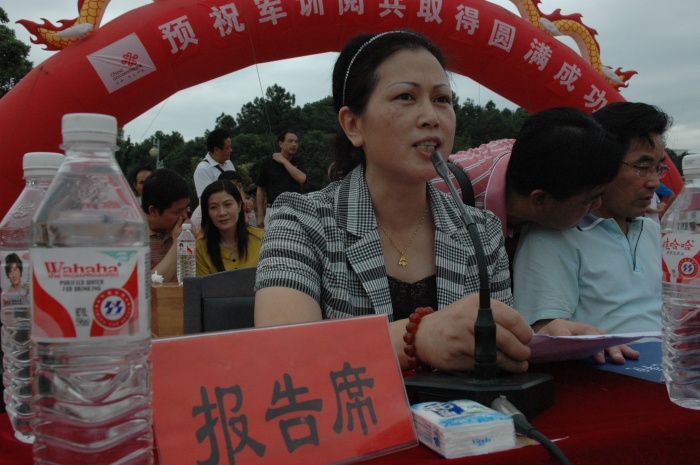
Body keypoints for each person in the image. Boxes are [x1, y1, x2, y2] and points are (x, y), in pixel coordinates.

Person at [254, 30, 532, 374]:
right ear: (353, 125)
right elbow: (284, 356)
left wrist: (542, 338)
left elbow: (501, 358)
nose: (431, 117)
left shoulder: (481, 231)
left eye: (442, 99)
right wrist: (415, 339)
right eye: (405, 96)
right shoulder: (301, 221)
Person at [512, 102, 672, 363]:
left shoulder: (654, 232)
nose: (654, 182)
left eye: (659, 168)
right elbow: (545, 330)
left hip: (673, 362)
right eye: (642, 167)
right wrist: (590, 341)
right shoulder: (554, 235)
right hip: (612, 368)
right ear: (603, 165)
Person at [431, 107, 625, 260]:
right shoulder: (441, 196)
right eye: (588, 201)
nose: (598, 205)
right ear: (540, 199)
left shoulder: (539, 156)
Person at [196, 180, 264, 276]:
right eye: (214, 207)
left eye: (227, 205)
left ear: (239, 206)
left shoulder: (263, 239)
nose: (222, 213)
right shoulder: (200, 248)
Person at [142, 168, 192, 283]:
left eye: (186, 208)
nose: (185, 216)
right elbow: (145, 287)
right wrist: (179, 244)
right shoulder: (133, 240)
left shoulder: (189, 231)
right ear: (153, 211)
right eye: (177, 211)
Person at [255, 130, 307, 229]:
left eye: (296, 142)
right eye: (290, 141)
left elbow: (302, 178)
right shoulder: (268, 162)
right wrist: (260, 215)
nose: (294, 144)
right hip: (273, 209)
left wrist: (284, 161)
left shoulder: (299, 160)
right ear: (280, 144)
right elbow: (260, 189)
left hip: (295, 209)